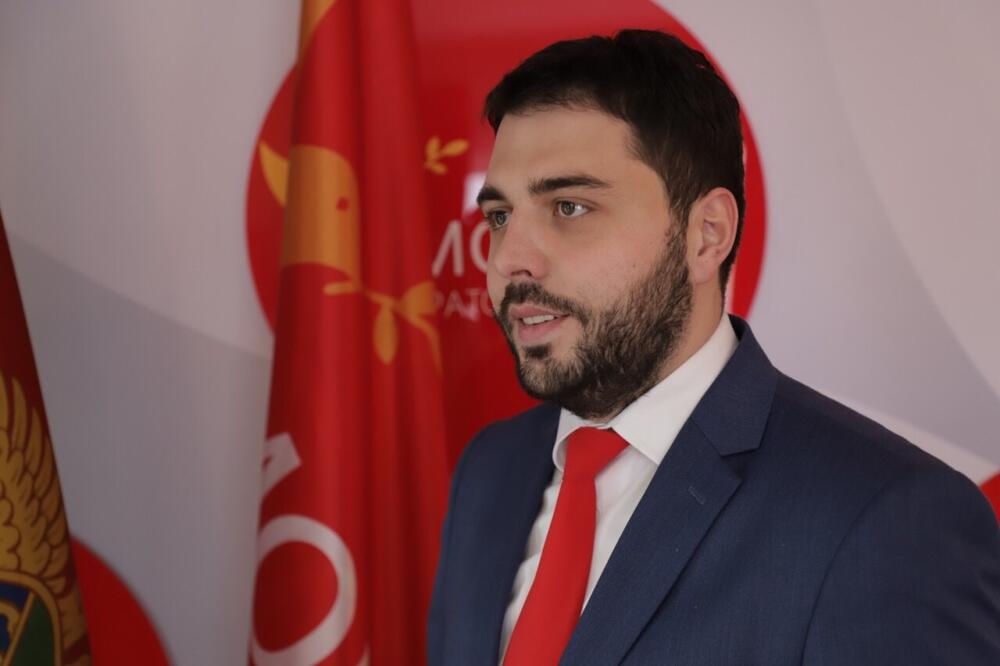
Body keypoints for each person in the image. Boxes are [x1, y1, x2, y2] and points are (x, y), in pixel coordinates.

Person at [426, 29, 1000, 665]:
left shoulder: (889, 521)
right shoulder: (490, 471)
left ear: (706, 234)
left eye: (569, 207)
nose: (508, 259)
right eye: (500, 216)